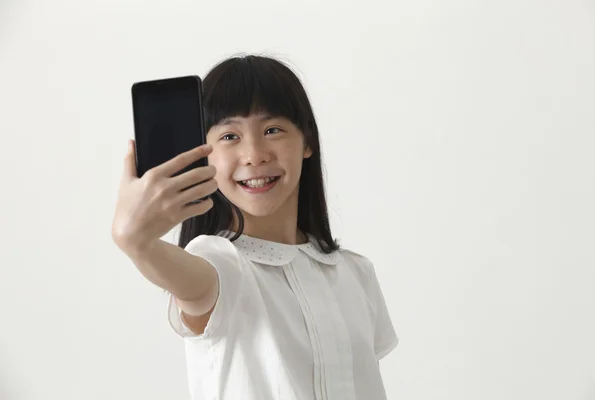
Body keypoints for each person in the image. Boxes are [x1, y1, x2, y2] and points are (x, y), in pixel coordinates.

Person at [112, 54, 398, 400]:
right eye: (230, 136)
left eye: (272, 130)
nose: (254, 154)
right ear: (206, 155)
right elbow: (191, 285)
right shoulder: (218, 264)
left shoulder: (355, 272)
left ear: (307, 141)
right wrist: (134, 239)